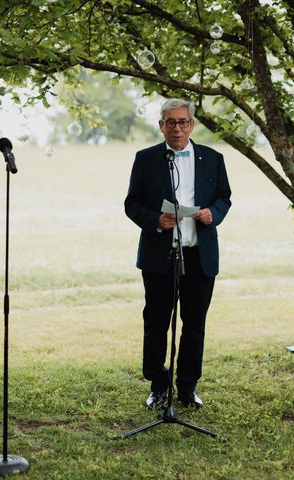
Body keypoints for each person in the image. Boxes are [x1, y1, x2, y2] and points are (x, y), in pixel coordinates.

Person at [124, 98, 231, 409]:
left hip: (199, 256)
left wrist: (214, 213)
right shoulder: (145, 159)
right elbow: (132, 204)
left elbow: (224, 197)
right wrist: (156, 220)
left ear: (191, 125)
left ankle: (187, 387)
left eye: (183, 122)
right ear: (161, 126)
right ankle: (158, 385)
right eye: (170, 122)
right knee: (156, 322)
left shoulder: (213, 158)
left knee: (194, 324)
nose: (177, 128)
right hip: (160, 257)